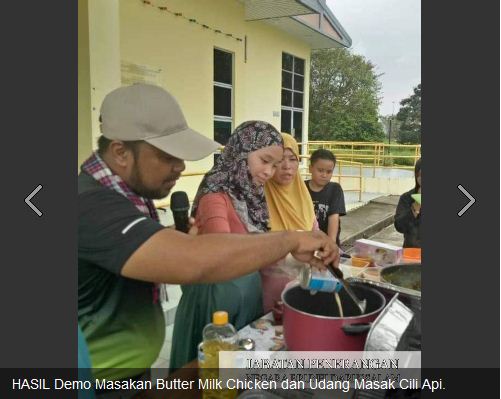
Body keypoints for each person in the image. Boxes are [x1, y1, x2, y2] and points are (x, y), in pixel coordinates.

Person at [78, 84, 338, 384]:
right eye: (168, 156)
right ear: (121, 152)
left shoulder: (123, 198)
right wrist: (290, 239)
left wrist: (168, 237)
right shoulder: (91, 204)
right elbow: (195, 261)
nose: (181, 167)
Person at [169, 120, 283, 370]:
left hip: (246, 295)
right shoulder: (214, 195)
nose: (269, 172)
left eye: (275, 166)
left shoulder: (250, 196)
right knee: (211, 374)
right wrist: (285, 243)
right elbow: (224, 250)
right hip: (216, 303)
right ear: (241, 152)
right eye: (264, 161)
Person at [261, 133, 320, 313]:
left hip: (305, 283)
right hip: (271, 287)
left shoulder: (303, 195)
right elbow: (255, 248)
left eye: (292, 159)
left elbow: (315, 233)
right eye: (280, 160)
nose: (287, 166)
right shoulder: (259, 197)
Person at [305, 149, 346, 247]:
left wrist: (330, 245)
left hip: (328, 244)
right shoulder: (302, 188)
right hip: (306, 243)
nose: (324, 175)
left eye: (329, 172)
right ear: (310, 168)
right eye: (320, 170)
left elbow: (334, 217)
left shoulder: (335, 189)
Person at [394, 158, 421, 248]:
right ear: (417, 176)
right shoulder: (407, 198)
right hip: (411, 253)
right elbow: (399, 226)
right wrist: (416, 206)